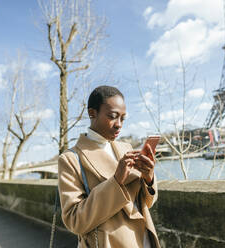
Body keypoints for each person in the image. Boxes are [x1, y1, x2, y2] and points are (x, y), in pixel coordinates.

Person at [58, 85, 161, 248]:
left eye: (123, 118)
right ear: (92, 113)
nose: (119, 124)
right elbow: (74, 221)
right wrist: (115, 181)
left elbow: (146, 203)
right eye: (113, 116)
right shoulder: (71, 159)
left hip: (145, 240)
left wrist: (149, 178)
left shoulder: (126, 148)